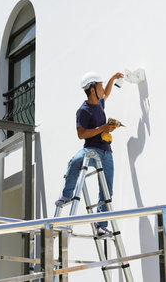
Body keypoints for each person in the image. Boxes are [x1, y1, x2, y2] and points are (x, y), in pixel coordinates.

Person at [55, 71, 124, 236]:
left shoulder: (100, 103)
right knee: (75, 161)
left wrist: (113, 79)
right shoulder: (83, 111)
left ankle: (101, 226)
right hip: (90, 150)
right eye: (100, 85)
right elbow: (81, 134)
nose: (103, 89)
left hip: (106, 152)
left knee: (107, 191)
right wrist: (103, 128)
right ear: (92, 89)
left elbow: (107, 93)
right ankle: (67, 195)